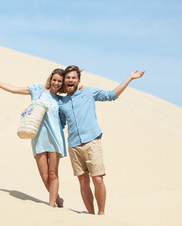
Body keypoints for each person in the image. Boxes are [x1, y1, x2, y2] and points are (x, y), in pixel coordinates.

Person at [59, 65, 145, 215]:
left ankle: (101, 214)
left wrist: (130, 78)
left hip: (92, 141)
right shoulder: (62, 103)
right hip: (73, 146)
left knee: (98, 180)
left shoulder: (88, 91)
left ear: (78, 80)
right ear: (64, 81)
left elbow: (111, 95)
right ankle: (91, 215)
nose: (70, 80)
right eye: (68, 78)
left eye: (73, 77)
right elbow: (60, 123)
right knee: (83, 181)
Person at [0, 69, 67, 207]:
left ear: (62, 84)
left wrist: (81, 87)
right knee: (45, 178)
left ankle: (51, 207)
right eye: (54, 79)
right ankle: (58, 199)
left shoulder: (62, 100)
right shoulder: (37, 90)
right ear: (50, 79)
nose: (56, 83)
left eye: (59, 81)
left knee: (53, 174)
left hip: (55, 138)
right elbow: (14, 89)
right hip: (38, 138)